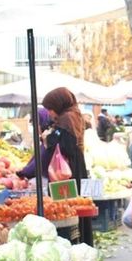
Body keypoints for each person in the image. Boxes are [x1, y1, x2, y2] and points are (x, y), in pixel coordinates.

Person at [40, 87, 94, 246]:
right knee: (77, 206)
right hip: (75, 167)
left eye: (50, 109)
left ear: (58, 105)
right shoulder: (74, 115)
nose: (49, 113)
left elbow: (67, 146)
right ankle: (82, 241)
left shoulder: (67, 118)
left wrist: (47, 139)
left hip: (67, 172)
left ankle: (72, 243)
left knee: (68, 207)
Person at [16, 107, 53, 179]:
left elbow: (38, 163)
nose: (35, 127)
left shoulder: (48, 140)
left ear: (43, 122)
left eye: (37, 124)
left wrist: (22, 172)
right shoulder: (45, 139)